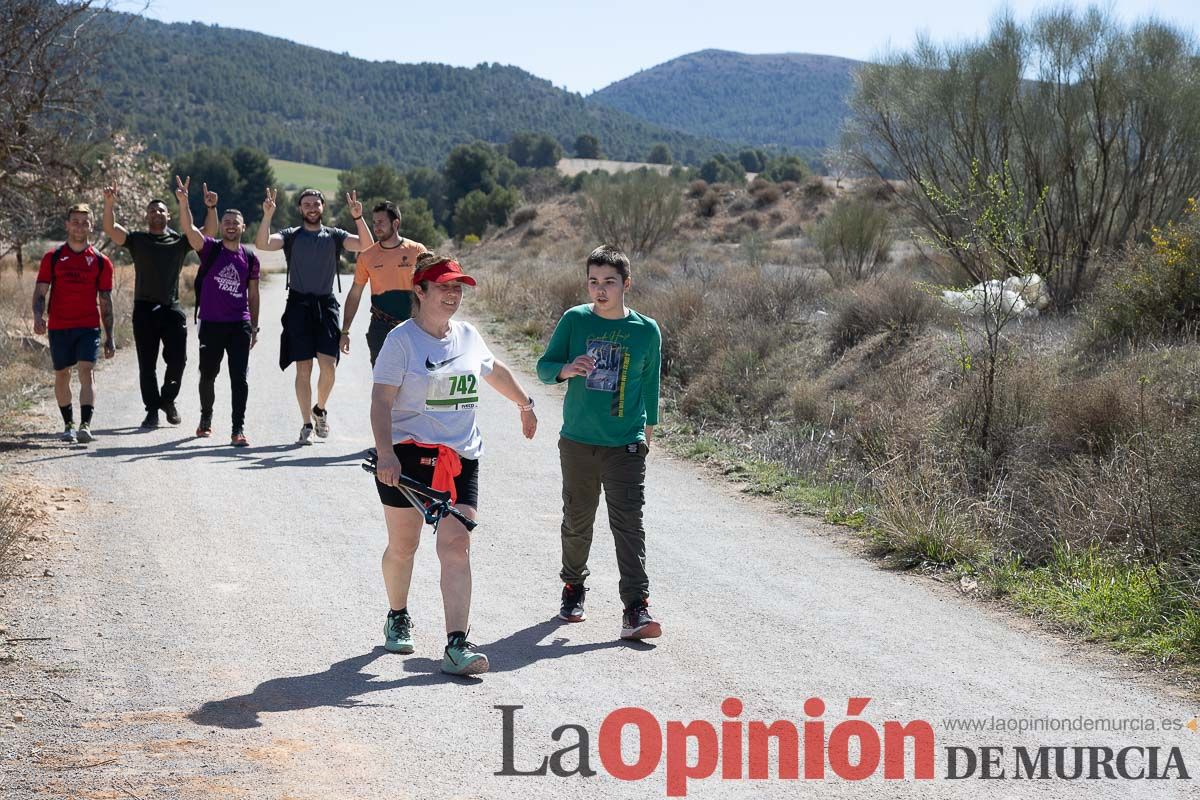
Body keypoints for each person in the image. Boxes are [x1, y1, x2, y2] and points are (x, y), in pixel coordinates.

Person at [370, 255, 537, 676]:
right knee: (404, 546)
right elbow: (381, 401)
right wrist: (385, 452)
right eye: (443, 286)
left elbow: (493, 368)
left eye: (458, 286)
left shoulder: (467, 335)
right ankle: (397, 613)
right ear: (420, 291)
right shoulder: (401, 341)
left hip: (460, 458)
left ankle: (456, 645)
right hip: (407, 457)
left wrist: (525, 403)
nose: (453, 293)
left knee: (456, 546)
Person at [535, 244, 663, 640]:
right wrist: (567, 369)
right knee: (578, 520)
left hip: (625, 443)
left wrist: (648, 434)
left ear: (627, 283)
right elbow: (543, 368)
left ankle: (636, 608)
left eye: (609, 282)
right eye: (594, 282)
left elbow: (651, 385)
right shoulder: (575, 321)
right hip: (577, 441)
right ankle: (573, 588)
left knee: (629, 525)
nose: (600, 290)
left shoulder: (646, 330)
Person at [256, 187, 372, 444]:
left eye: (316, 204)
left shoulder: (334, 235)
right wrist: (267, 215)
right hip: (298, 305)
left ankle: (320, 409)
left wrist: (357, 217)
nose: (311, 208)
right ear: (300, 209)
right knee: (303, 368)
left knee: (329, 366)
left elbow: (366, 244)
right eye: (306, 204)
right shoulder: (291, 236)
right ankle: (306, 424)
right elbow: (262, 243)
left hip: (326, 304)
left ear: (322, 207)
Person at [102, 185, 217, 427]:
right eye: (152, 210)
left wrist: (210, 208)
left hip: (171, 308)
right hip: (144, 309)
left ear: (169, 215)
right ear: (147, 216)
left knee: (179, 360)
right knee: (147, 364)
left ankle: (168, 399)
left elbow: (209, 232)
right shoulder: (137, 240)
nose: (156, 213)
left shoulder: (179, 241)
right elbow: (111, 229)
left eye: (161, 210)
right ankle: (152, 410)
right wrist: (109, 202)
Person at [175, 176, 260, 447]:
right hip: (211, 323)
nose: (231, 226)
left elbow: (253, 293)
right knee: (208, 374)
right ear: (221, 226)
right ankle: (206, 419)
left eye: (235, 223)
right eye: (227, 222)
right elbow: (189, 230)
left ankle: (238, 428)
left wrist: (254, 326)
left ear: (243, 227)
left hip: (239, 324)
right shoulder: (210, 249)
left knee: (240, 378)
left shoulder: (250, 257)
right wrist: (185, 202)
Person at [32, 203, 116, 444]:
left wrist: (110, 336)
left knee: (86, 370)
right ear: (67, 225)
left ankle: (85, 425)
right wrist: (38, 316)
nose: (80, 226)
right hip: (59, 326)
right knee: (62, 374)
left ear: (91, 226)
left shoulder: (101, 261)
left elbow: (106, 301)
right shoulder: (53, 257)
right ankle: (68, 424)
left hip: (88, 326)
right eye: (75, 221)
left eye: (85, 222)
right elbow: (40, 291)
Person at [339, 201, 428, 366]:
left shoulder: (417, 251)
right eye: (374, 222)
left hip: (415, 327)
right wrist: (345, 331)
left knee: (416, 382)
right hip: (381, 329)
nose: (376, 227)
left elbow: (432, 288)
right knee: (383, 384)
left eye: (381, 222)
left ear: (396, 223)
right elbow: (355, 293)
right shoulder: (366, 256)